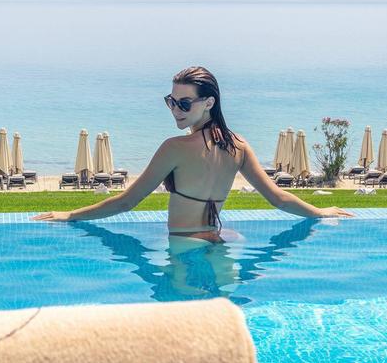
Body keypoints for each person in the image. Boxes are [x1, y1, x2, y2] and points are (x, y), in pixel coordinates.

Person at [32, 66, 355, 241]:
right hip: (221, 238)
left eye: (184, 103)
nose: (176, 110)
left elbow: (127, 202)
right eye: (171, 101)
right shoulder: (238, 146)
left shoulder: (175, 148)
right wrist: (319, 211)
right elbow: (278, 200)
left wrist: (70, 215)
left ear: (208, 103)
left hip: (186, 247)